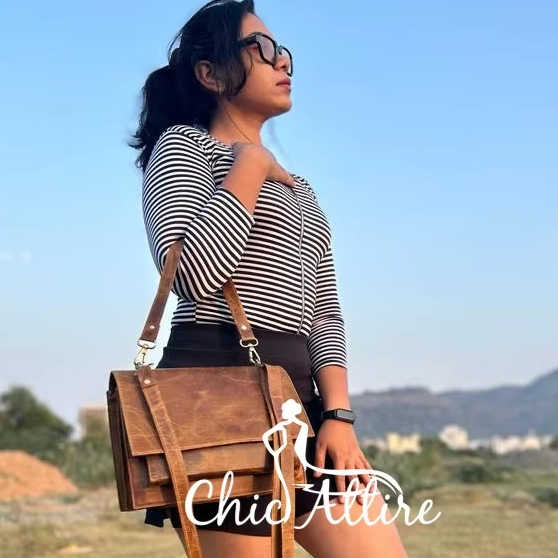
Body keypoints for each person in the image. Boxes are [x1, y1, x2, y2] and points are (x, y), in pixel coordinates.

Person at [128, 1, 409, 556]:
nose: (282, 61)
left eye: (283, 51)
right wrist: (251, 165)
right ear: (210, 74)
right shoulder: (184, 147)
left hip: (301, 399)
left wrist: (338, 415)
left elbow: (323, 309)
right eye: (260, 48)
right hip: (217, 395)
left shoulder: (301, 188)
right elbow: (193, 274)